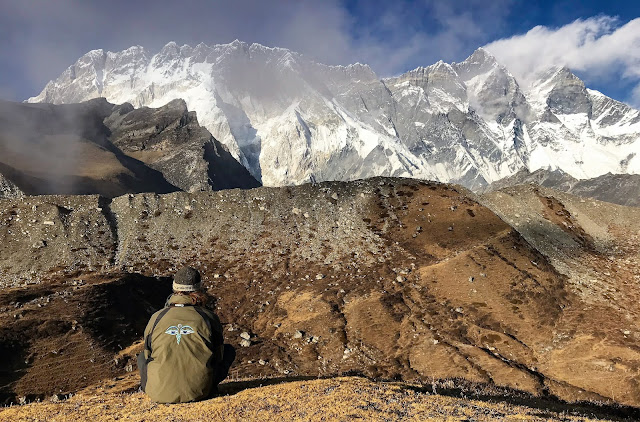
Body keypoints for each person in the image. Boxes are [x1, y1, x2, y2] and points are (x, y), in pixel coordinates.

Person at [138, 266, 235, 403]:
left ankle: (154, 386)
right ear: (198, 289)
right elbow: (218, 355)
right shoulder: (208, 317)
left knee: (141, 357)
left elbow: (148, 354)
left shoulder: (156, 317)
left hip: (159, 394)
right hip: (200, 392)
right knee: (229, 350)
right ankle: (206, 387)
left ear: (174, 289)